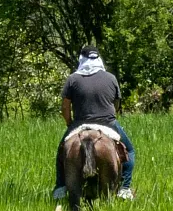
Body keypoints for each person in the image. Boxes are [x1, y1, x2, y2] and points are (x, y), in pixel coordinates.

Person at [58, 47, 135, 200]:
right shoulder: (111, 78)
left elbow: (65, 107)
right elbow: (116, 104)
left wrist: (70, 124)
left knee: (61, 152)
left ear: (82, 59)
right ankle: (125, 188)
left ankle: (60, 187)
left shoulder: (72, 79)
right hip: (108, 122)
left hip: (80, 123)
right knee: (130, 151)